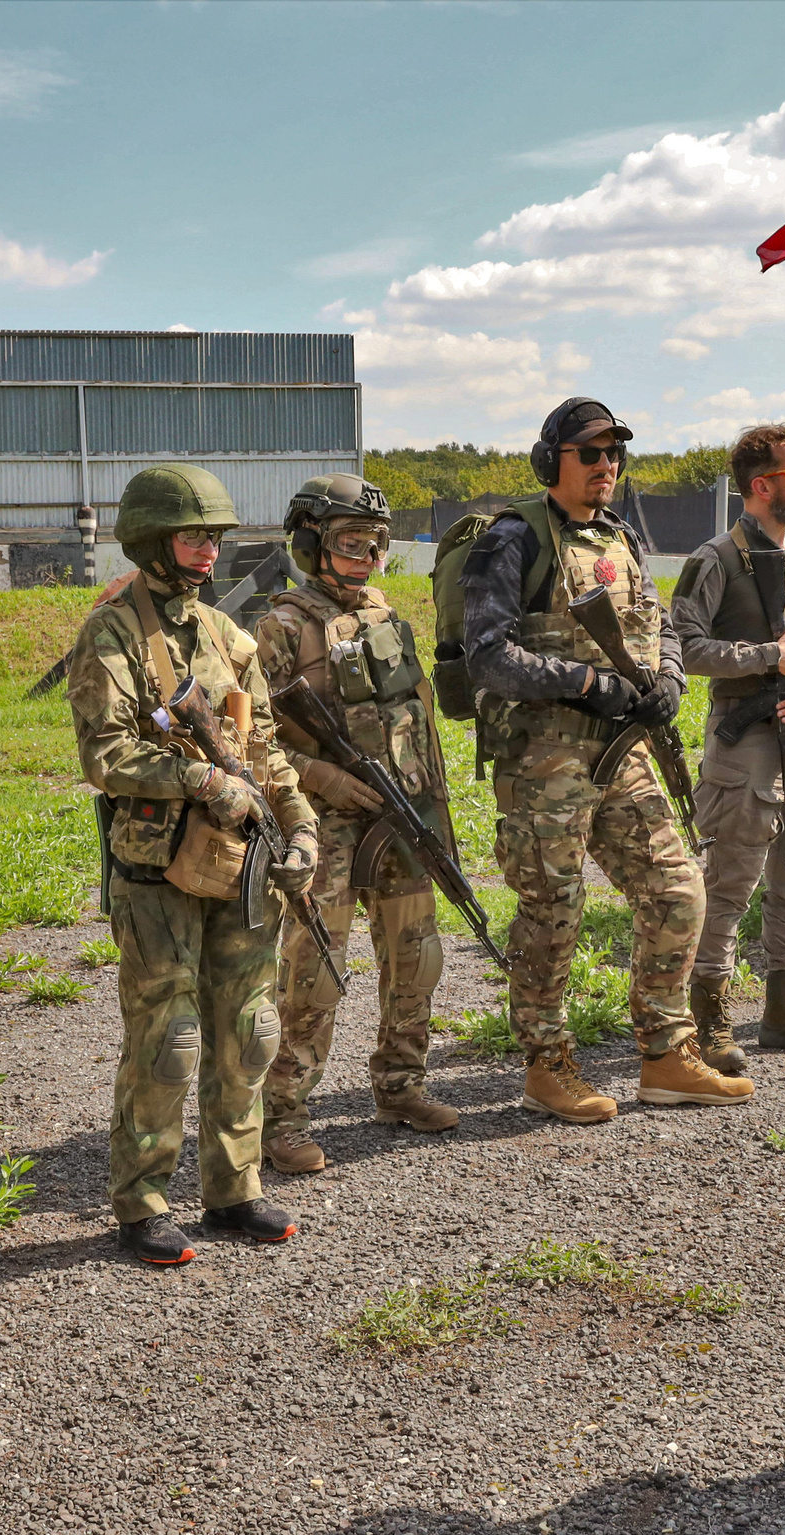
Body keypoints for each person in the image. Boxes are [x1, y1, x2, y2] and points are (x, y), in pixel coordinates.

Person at [462, 397, 748, 1123]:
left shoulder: (620, 537)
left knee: (679, 889)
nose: (606, 465)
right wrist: (587, 683)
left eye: (615, 453)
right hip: (544, 759)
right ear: (551, 459)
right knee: (553, 909)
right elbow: (488, 655)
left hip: (621, 750)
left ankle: (665, 1054)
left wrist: (669, 683)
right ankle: (546, 1063)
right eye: (590, 453)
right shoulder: (512, 540)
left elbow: (661, 625)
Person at [66, 464, 319, 1264]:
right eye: (191, 535)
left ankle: (233, 1188)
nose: (208, 550)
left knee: (249, 1030)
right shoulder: (110, 633)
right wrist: (200, 777)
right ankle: (142, 1201)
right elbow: (104, 753)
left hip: (240, 861)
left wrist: (302, 826)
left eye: (215, 536)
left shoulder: (227, 636)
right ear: (151, 539)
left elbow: (269, 752)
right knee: (168, 1036)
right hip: (156, 872)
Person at [256, 475, 457, 1174]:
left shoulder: (385, 616)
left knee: (416, 954)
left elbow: (417, 719)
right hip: (326, 822)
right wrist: (327, 779)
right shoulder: (281, 628)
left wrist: (435, 813)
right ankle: (281, 1116)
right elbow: (255, 742)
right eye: (350, 541)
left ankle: (401, 1086)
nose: (367, 555)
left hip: (399, 814)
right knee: (315, 971)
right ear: (311, 541)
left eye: (377, 543)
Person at [672, 423, 785, 1068]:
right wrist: (765, 656)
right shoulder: (716, 559)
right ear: (762, 485)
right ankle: (710, 1022)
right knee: (728, 886)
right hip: (744, 746)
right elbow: (685, 647)